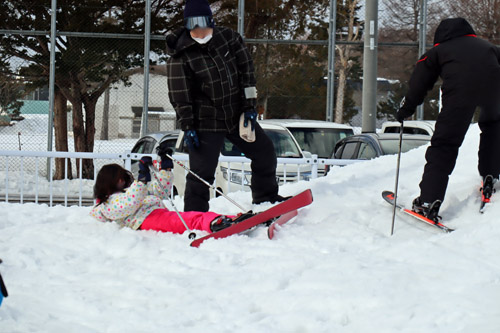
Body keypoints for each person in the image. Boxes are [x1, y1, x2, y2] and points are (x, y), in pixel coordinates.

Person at [166, 0, 287, 212]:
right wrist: (188, 126)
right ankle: (195, 215)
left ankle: (266, 199)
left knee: (265, 152)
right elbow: (180, 96)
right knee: (201, 173)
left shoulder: (228, 39)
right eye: (193, 25)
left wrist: (250, 106)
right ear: (187, 26)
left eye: (203, 22)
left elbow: (246, 72)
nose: (199, 29)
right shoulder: (181, 56)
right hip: (206, 122)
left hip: (235, 115)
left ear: (211, 21)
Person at [396, 17, 500, 220]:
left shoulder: (438, 51)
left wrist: (406, 109)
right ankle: (490, 175)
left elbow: (419, 82)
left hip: (460, 94)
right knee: (493, 127)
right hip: (495, 90)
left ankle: (428, 201)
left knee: (445, 144)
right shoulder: (490, 47)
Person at [89, 146, 250, 234]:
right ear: (109, 182)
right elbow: (130, 203)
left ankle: (231, 219)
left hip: (157, 214)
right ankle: (218, 224)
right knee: (189, 220)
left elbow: (159, 190)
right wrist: (142, 179)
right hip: (146, 221)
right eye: (119, 179)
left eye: (123, 178)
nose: (122, 181)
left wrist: (165, 169)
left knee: (193, 215)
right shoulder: (107, 205)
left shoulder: (131, 191)